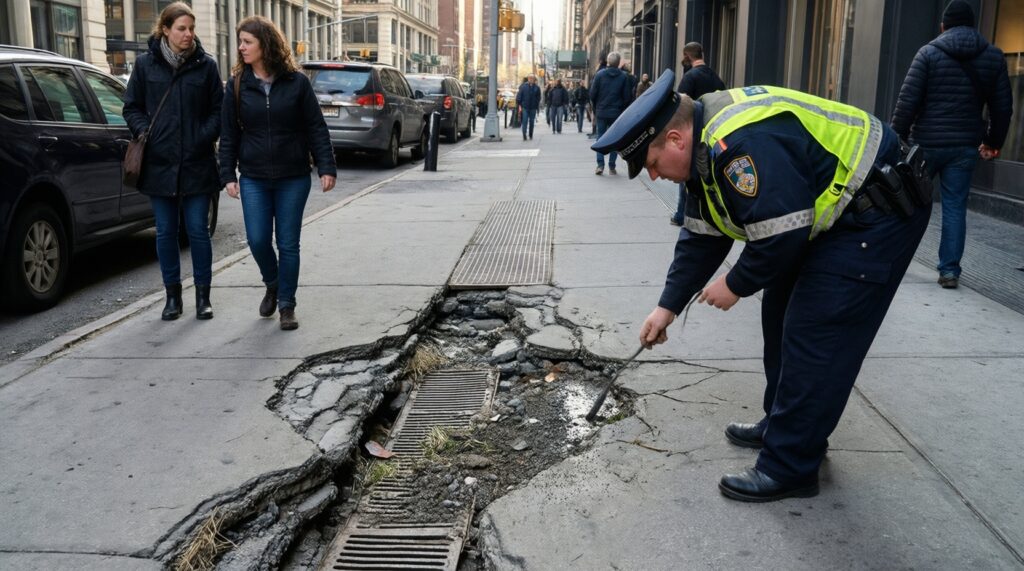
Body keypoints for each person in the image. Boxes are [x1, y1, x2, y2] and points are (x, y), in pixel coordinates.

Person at [593, 71, 932, 502]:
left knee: (816, 335)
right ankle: (784, 425)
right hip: (832, 215)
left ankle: (789, 465)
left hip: (876, 210)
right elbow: (701, 238)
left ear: (675, 139)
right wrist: (667, 307)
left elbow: (782, 235)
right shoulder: (704, 149)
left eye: (653, 164)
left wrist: (735, 284)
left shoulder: (739, 145)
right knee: (779, 314)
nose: (655, 176)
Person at [219, 16, 336, 330]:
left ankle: (286, 305)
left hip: (293, 177)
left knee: (288, 243)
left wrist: (326, 166)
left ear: (265, 44)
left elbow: (315, 127)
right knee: (258, 240)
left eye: (247, 42)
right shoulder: (238, 84)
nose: (241, 47)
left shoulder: (296, 82)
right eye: (240, 42)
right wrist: (227, 174)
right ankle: (273, 283)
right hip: (254, 176)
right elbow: (229, 133)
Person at [891, 0, 1013, 289]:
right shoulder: (993, 57)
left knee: (909, 203)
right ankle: (949, 271)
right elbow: (1002, 108)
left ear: (943, 25)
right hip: (964, 147)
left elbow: (907, 102)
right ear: (972, 25)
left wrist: (896, 138)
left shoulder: (928, 53)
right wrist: (992, 142)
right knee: (955, 207)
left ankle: (894, 262)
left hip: (926, 144)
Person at [123, 2, 223, 321]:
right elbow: (131, 107)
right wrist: (145, 132)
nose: (188, 34)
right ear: (165, 30)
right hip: (159, 163)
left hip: (197, 162)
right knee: (165, 232)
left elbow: (218, 111)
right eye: (181, 28)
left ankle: (203, 298)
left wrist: (201, 137)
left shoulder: (206, 66)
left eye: (191, 28)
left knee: (198, 231)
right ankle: (172, 297)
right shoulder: (145, 65)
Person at [673, 42, 727, 227]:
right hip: (715, 132)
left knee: (687, 174)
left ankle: (681, 214)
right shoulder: (715, 77)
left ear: (687, 56)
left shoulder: (689, 77)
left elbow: (679, 106)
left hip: (694, 132)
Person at [589, 52, 634, 175]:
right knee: (614, 138)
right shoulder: (623, 76)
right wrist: (621, 108)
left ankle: (600, 165)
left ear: (608, 62)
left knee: (600, 137)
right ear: (618, 63)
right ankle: (612, 166)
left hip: (601, 111)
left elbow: (592, 94)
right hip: (616, 113)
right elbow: (627, 97)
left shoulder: (599, 75)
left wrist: (595, 108)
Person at [515, 74, 542, 140]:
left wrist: (536, 103)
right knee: (525, 121)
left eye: (532, 78)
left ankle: (530, 134)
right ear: (528, 79)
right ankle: (524, 134)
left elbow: (538, 97)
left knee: (532, 122)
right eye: (530, 78)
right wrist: (520, 103)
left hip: (533, 107)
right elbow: (519, 96)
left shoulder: (537, 87)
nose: (531, 79)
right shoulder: (523, 86)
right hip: (525, 107)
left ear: (534, 79)